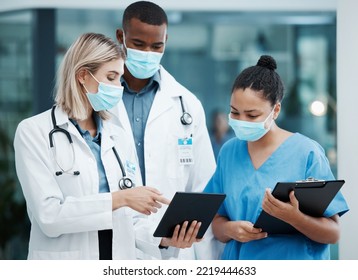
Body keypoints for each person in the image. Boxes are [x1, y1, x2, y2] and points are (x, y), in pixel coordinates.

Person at [13, 32, 169, 260]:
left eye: (120, 79)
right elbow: (49, 216)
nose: (119, 87)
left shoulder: (118, 136)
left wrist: (163, 238)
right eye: (111, 77)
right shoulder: (34, 132)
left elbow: (131, 220)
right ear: (83, 76)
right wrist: (121, 198)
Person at [204, 55, 349, 260]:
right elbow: (217, 221)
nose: (241, 121)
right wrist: (230, 229)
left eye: (252, 115)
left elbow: (333, 233)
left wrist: (295, 218)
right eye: (234, 112)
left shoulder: (307, 153)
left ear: (276, 110)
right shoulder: (229, 152)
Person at [111, 1, 218, 259]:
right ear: (120, 37)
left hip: (174, 249)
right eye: (138, 44)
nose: (148, 52)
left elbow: (203, 185)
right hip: (115, 242)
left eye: (157, 46)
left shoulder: (187, 104)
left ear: (166, 41)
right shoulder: (101, 98)